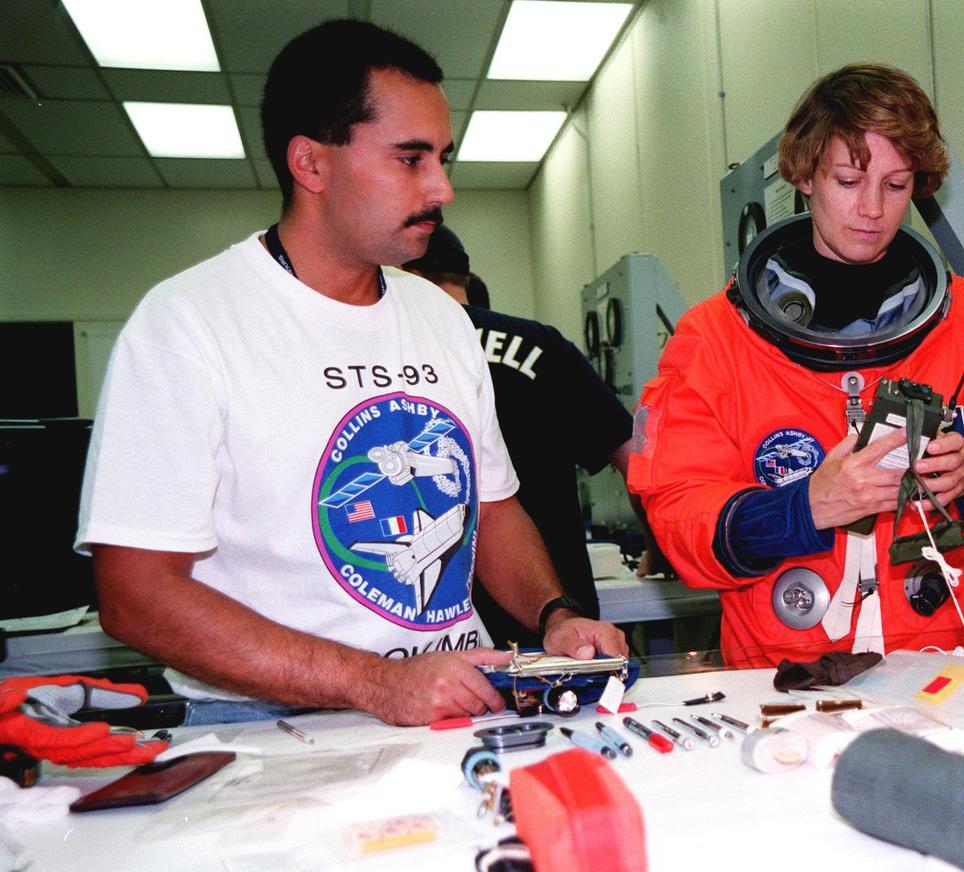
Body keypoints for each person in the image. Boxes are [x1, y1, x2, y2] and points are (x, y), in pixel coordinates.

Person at [75, 19, 624, 727]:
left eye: (443, 158)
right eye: (410, 158)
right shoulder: (187, 323)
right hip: (272, 725)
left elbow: (489, 511)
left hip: (457, 700)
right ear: (311, 164)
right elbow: (135, 594)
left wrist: (555, 614)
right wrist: (375, 682)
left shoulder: (440, 317)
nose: (442, 188)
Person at [628, 64, 964, 668]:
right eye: (848, 180)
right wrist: (807, 506)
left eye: (896, 185)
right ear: (804, 175)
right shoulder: (715, 339)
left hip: (960, 671)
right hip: (782, 682)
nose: (871, 209)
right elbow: (678, 522)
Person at [403, 229, 670, 647]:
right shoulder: (542, 345)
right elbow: (637, 457)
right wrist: (659, 549)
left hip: (441, 621)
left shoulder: (401, 356)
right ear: (465, 276)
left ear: (406, 275)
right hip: (557, 614)